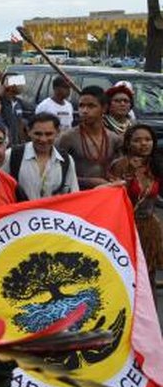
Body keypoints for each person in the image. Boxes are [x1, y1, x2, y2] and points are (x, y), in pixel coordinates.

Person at [108, 124, 162, 288]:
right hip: (125, 228)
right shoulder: (120, 166)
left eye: (148, 140)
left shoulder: (156, 165)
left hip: (149, 227)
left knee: (148, 275)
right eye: (137, 140)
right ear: (128, 143)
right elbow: (111, 198)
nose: (144, 144)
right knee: (126, 275)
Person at [57, 86, 121, 190]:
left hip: (107, 195)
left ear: (104, 108)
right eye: (81, 106)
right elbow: (56, 174)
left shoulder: (114, 139)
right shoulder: (67, 138)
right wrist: (89, 182)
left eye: (91, 106)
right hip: (79, 195)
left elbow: (119, 171)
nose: (84, 111)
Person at [2, 112, 79, 200]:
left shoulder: (66, 160)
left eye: (48, 134)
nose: (43, 139)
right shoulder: (12, 155)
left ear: (57, 132)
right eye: (38, 134)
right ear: (29, 131)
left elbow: (73, 195)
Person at [0, 74, 28, 146]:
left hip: (16, 144)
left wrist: (22, 140)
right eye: (19, 84)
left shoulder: (18, 103)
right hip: (4, 143)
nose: (21, 87)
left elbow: (20, 122)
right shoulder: (1, 102)